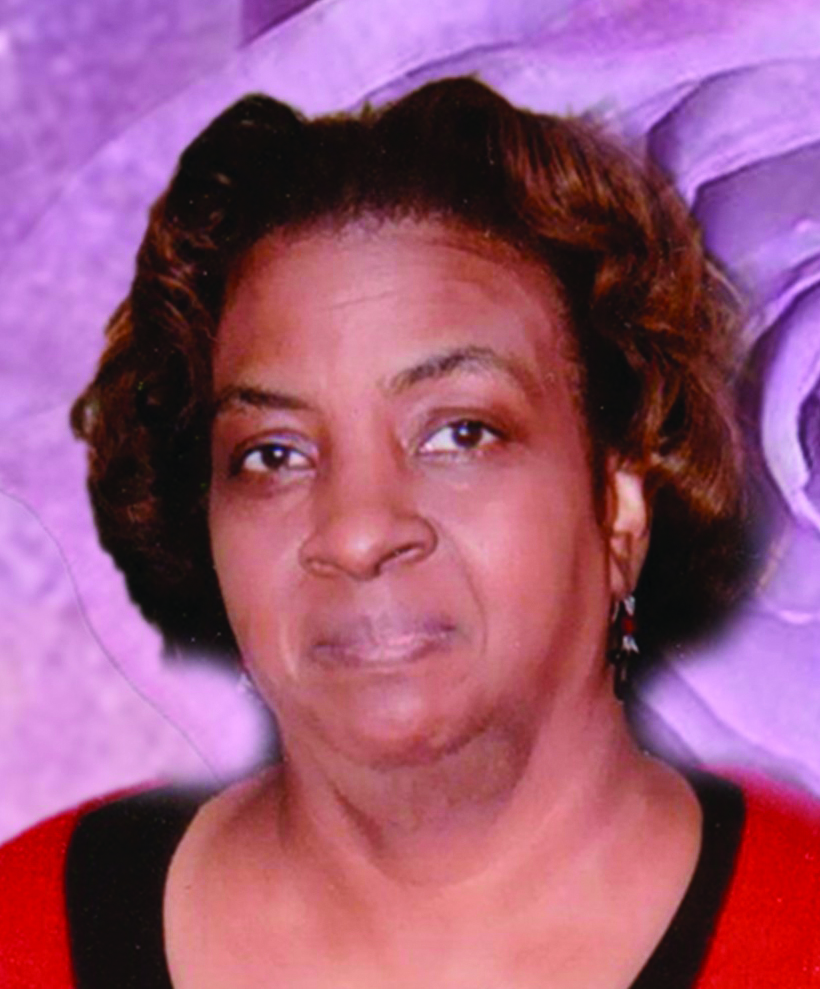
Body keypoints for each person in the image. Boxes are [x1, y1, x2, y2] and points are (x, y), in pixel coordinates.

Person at [1, 77, 818, 989]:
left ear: (618, 503)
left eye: (460, 434)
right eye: (274, 454)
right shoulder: (20, 934)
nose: (357, 533)